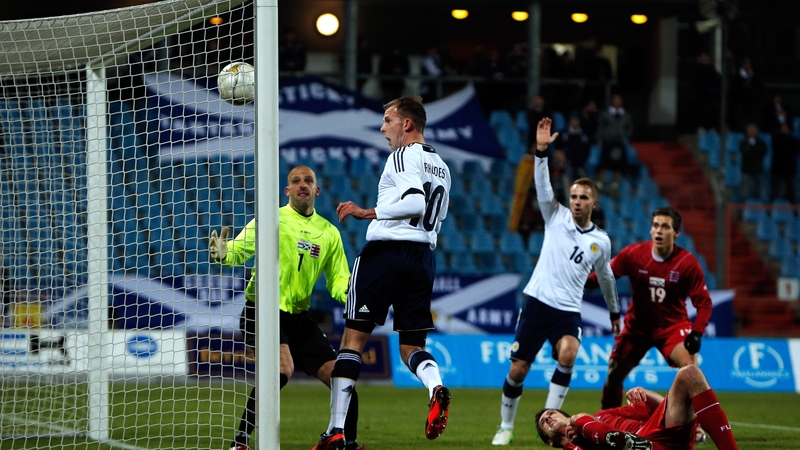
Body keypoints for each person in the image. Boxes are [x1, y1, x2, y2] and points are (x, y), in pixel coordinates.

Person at [313, 95, 452, 450]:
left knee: (353, 341)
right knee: (411, 345)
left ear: (407, 123)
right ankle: (435, 386)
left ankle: (336, 431)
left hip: (386, 253)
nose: (382, 127)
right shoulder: (442, 165)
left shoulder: (404, 155)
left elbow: (415, 202)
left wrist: (366, 212)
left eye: (388, 119)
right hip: (423, 258)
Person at [210, 165, 361, 450]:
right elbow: (239, 249)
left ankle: (345, 444)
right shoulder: (270, 220)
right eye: (296, 181)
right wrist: (223, 252)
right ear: (287, 190)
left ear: (317, 189)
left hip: (299, 318)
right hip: (261, 310)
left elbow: (339, 280)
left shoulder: (328, 233)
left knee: (343, 379)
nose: (302, 184)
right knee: (281, 369)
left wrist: (353, 295)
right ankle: (240, 442)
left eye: (308, 180)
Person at [491, 118, 620, 446]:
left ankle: (550, 419)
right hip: (537, 303)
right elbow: (542, 184)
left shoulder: (601, 242)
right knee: (518, 370)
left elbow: (605, 278)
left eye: (583, 197)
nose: (576, 201)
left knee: (568, 353)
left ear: (594, 203)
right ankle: (505, 426)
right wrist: (542, 150)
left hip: (567, 311)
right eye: (574, 196)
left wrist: (615, 313)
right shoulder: (555, 215)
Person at [584, 207, 713, 411]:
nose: (659, 231)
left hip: (672, 327)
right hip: (638, 328)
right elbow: (606, 275)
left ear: (676, 233)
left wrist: (697, 332)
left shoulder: (687, 263)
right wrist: (583, 282)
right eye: (655, 226)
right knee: (614, 373)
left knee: (690, 368)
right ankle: (608, 419)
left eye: (665, 227)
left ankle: (693, 426)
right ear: (651, 230)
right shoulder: (634, 254)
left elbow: (704, 303)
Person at [534, 364, 739, 450]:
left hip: (657, 437)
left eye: (551, 413)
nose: (549, 417)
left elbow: (662, 409)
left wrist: (645, 394)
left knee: (689, 373)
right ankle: (619, 441)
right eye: (545, 422)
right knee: (579, 421)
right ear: (550, 442)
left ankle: (627, 441)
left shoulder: (605, 414)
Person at [595, 94, 634, 195]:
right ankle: (599, 185)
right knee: (603, 164)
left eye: (619, 99)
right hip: (607, 142)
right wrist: (600, 139)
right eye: (615, 99)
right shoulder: (606, 114)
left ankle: (614, 186)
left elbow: (630, 128)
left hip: (619, 143)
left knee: (617, 166)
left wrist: (624, 134)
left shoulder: (626, 115)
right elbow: (600, 127)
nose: (617, 101)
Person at [770, 123, 800, 202]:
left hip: (789, 169)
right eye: (783, 128)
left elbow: (796, 152)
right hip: (777, 168)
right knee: (775, 190)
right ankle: (771, 209)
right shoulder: (775, 140)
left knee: (791, 190)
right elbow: (776, 151)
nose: (784, 129)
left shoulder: (794, 141)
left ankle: (794, 211)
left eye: (786, 128)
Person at [738, 122, 768, 201]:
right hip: (746, 171)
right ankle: (743, 211)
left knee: (761, 194)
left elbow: (762, 153)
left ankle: (761, 211)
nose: (752, 131)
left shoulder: (761, 143)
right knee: (745, 193)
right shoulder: (743, 143)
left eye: (753, 130)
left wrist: (752, 151)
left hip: (758, 170)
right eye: (750, 130)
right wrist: (754, 151)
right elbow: (745, 153)